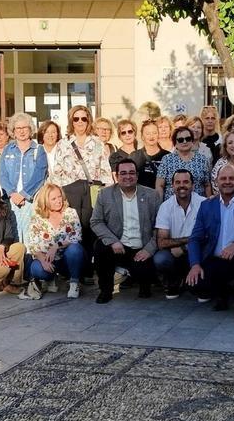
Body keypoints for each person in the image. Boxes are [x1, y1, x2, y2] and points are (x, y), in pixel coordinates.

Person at [186, 164, 234, 323]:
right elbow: (195, 238)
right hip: (216, 259)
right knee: (196, 284)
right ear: (216, 181)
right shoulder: (207, 205)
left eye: (232, 178)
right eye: (223, 178)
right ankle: (222, 294)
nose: (227, 182)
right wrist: (194, 264)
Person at [50, 104, 114, 271]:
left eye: (83, 118)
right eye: (76, 118)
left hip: (92, 189)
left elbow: (105, 169)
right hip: (70, 190)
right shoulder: (63, 144)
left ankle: (87, 269)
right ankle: (70, 268)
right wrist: (57, 195)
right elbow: (57, 171)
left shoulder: (98, 142)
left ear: (88, 121)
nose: (79, 122)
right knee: (70, 227)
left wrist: (108, 192)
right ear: (71, 121)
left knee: (89, 229)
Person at [90, 157, 162, 303]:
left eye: (131, 173)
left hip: (141, 249)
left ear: (137, 175)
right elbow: (96, 221)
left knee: (144, 283)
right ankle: (106, 290)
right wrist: (112, 241)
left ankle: (142, 282)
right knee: (100, 247)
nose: (127, 176)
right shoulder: (105, 194)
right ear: (116, 176)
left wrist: (149, 249)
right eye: (123, 173)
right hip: (118, 246)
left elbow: (159, 227)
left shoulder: (151, 195)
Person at [23, 182, 86, 300]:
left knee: (75, 249)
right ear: (45, 201)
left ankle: (74, 283)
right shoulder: (37, 218)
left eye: (59, 197)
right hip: (49, 260)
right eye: (53, 199)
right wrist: (43, 261)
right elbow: (33, 246)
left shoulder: (70, 213)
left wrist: (56, 245)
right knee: (36, 268)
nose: (58, 201)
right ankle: (50, 279)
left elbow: (77, 237)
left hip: (68, 259)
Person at [0, 115, 48, 254]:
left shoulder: (39, 150)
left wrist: (23, 195)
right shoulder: (8, 149)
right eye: (18, 128)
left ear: (30, 129)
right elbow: (2, 174)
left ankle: (29, 267)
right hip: (11, 198)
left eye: (24, 127)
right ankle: (17, 269)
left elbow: (40, 175)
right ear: (13, 131)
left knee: (30, 234)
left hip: (30, 199)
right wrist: (12, 193)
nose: (21, 131)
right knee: (13, 234)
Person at [155, 169, 206, 299]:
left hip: (197, 252)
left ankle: (193, 281)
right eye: (177, 182)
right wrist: (191, 240)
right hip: (173, 253)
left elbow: (208, 236)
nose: (181, 185)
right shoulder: (165, 207)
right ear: (172, 186)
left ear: (193, 185)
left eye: (186, 182)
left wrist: (184, 247)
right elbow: (161, 243)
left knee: (198, 290)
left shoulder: (204, 204)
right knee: (161, 259)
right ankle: (174, 280)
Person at [155, 126, 213, 200]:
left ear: (192, 141)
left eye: (188, 139)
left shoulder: (202, 159)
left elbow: (207, 185)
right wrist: (160, 205)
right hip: (172, 206)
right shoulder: (167, 159)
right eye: (180, 140)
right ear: (175, 143)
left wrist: (209, 204)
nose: (185, 141)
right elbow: (160, 185)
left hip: (198, 206)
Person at [135, 119, 168, 189]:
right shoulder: (134, 156)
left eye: (154, 133)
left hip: (162, 196)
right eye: (148, 133)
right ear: (142, 137)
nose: (151, 136)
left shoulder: (167, 156)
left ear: (158, 135)